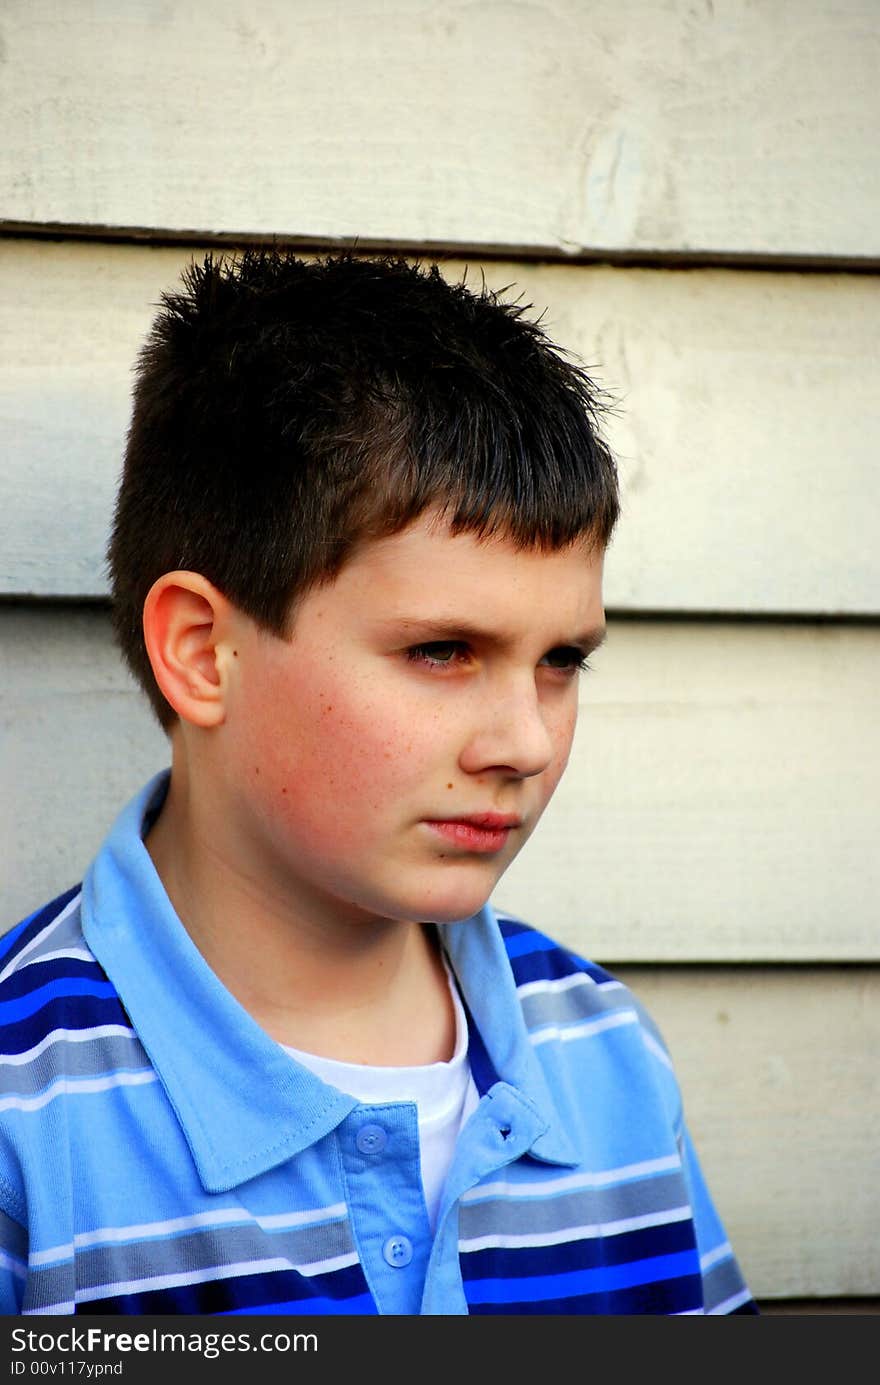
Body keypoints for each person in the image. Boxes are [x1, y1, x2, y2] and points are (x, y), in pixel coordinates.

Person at [0, 250, 757, 1316]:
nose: (525, 740)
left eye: (561, 660)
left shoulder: (603, 1052)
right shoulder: (25, 1115)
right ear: (205, 650)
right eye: (443, 649)